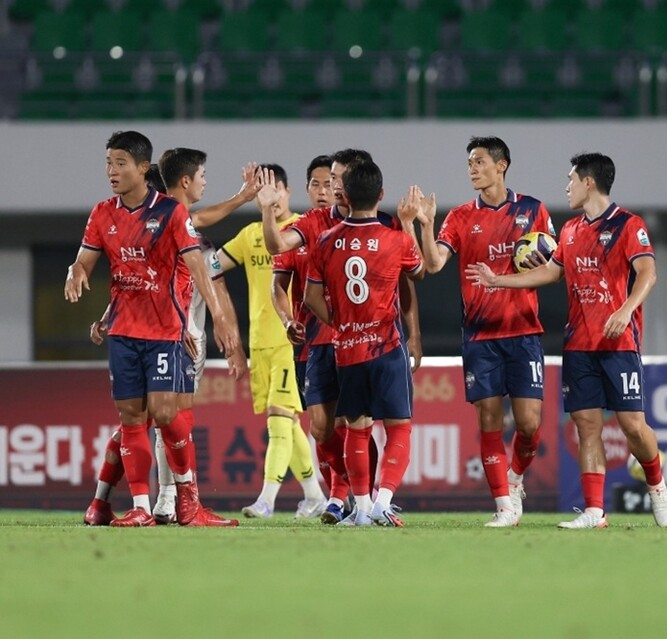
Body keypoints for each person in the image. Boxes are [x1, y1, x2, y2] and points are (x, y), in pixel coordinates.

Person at [464, 152, 667, 529]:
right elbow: (550, 272)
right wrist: (499, 281)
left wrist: (626, 309)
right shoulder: (570, 230)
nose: (567, 187)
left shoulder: (628, 224)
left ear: (588, 182)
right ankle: (595, 511)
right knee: (586, 426)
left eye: (571, 180)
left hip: (619, 343)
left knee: (632, 426)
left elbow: (648, 272)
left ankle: (657, 484)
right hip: (578, 344)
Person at [65, 130, 241, 527]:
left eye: (120, 163)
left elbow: (198, 268)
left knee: (164, 413)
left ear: (144, 168)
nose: (112, 171)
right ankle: (142, 507)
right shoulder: (102, 213)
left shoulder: (171, 213)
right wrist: (75, 272)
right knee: (132, 420)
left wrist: (216, 318)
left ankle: (185, 499)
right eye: (109, 163)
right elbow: (87, 261)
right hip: (125, 333)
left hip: (166, 331)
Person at [261, 148, 423, 524]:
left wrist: (412, 333)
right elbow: (419, 270)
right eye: (325, 179)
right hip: (329, 341)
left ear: (351, 184)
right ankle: (365, 500)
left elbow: (405, 286)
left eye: (337, 178)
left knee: (354, 425)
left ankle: (348, 500)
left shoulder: (338, 236)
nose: (331, 186)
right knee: (326, 427)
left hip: (351, 342)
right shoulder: (318, 224)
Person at [401, 136, 552, 527]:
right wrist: (426, 225)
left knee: (529, 424)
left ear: (501, 166)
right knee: (489, 420)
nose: (472, 168)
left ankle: (515, 477)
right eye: (470, 162)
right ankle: (504, 507)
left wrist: (502, 279)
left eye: (480, 161)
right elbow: (434, 264)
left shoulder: (533, 210)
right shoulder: (460, 217)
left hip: (523, 331)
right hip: (480, 335)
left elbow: (553, 270)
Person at [218, 163, 326, 519]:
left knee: (280, 418)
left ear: (287, 191)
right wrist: (225, 326)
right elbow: (210, 266)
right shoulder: (250, 236)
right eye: (262, 190)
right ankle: (314, 495)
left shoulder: (302, 230)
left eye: (275, 188)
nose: (271, 196)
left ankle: (266, 500)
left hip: (291, 339)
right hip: (259, 343)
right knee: (287, 423)